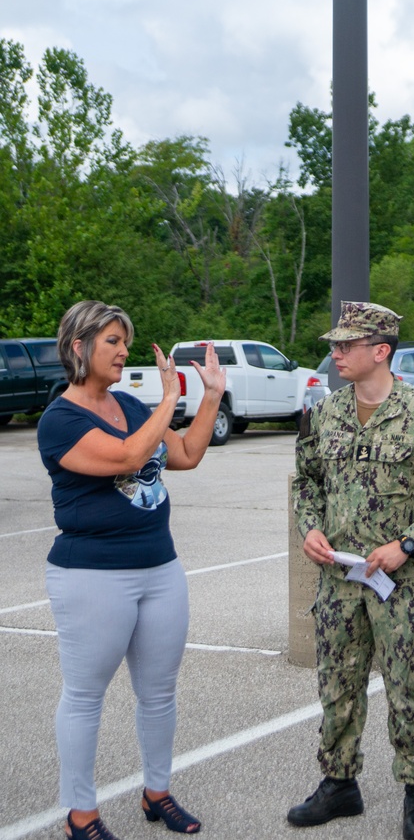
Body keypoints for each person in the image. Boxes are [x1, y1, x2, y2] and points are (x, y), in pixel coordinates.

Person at [38, 300, 226, 840]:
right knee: (84, 694)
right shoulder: (61, 419)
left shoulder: (129, 403)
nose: (123, 352)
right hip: (92, 576)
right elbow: (124, 458)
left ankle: (157, 792)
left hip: (159, 567)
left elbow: (186, 453)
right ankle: (81, 813)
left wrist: (208, 396)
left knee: (160, 692)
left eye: (125, 341)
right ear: (79, 348)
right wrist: (169, 399)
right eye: (112, 342)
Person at [288, 301, 414, 840]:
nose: (335, 353)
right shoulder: (324, 414)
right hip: (339, 579)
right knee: (337, 682)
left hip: (399, 582)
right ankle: (339, 782)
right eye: (335, 345)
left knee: (407, 684)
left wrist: (408, 544)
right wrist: (310, 528)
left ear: (380, 351)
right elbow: (307, 481)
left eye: (346, 345)